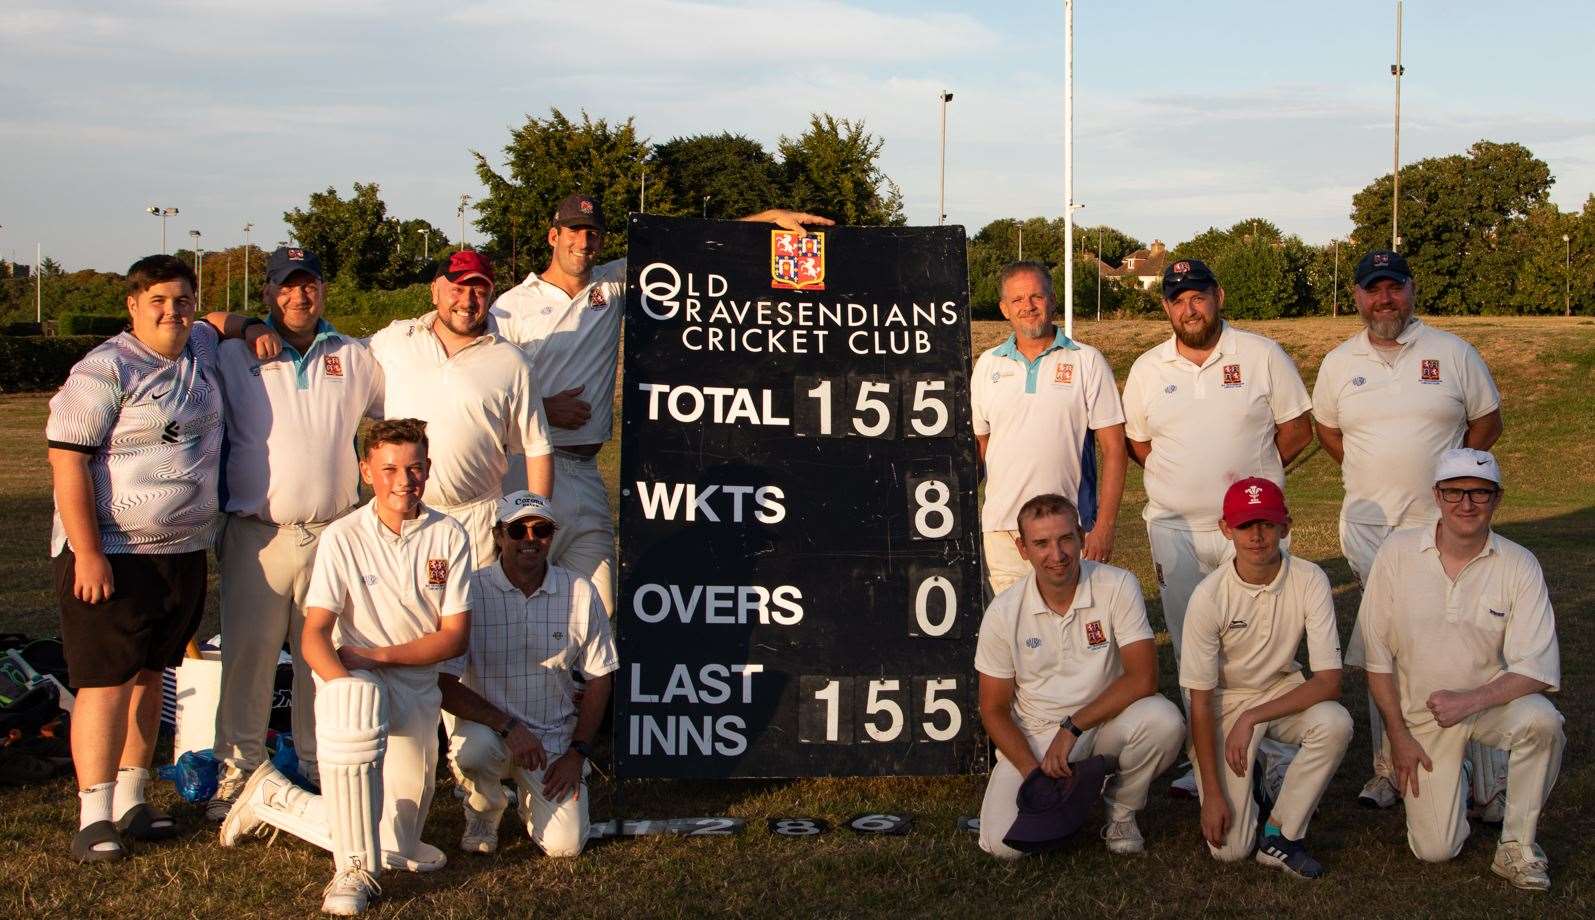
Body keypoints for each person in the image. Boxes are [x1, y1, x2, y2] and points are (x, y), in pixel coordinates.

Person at [491, 195, 832, 615]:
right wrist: (542, 409)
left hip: (586, 470)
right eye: (575, 231)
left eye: (593, 233)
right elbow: (486, 392)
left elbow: (687, 247)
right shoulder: (510, 306)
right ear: (553, 236)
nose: (584, 241)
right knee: (510, 601)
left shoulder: (610, 285)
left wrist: (766, 220)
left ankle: (582, 683)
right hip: (529, 467)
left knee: (596, 611)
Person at [47, 254, 280, 861]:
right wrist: (88, 551)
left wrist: (252, 327)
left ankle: (131, 798)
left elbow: (222, 319)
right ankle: (92, 814)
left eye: (181, 300)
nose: (171, 311)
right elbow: (67, 461)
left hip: (180, 550)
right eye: (158, 301)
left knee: (152, 676)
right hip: (113, 554)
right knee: (105, 683)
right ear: (133, 305)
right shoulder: (106, 368)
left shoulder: (197, 342)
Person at [221, 419, 472, 915]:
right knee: (357, 703)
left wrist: (378, 655)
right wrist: (343, 683)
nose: (405, 480)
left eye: (416, 467)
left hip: (413, 684)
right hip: (356, 679)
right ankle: (352, 872)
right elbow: (315, 633)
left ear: (428, 468)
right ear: (366, 471)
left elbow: (452, 638)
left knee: (399, 848)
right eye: (390, 469)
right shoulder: (344, 535)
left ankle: (275, 798)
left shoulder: (450, 534)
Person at [1313, 248, 1506, 812]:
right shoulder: (1337, 361)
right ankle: (1387, 767)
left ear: (1411, 289)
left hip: (1441, 524)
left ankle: (1482, 774)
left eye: (1393, 287)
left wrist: (1456, 479)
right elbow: (1328, 430)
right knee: (1387, 643)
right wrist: (1370, 472)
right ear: (1357, 297)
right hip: (1371, 528)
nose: (1384, 300)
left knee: (1465, 640)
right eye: (1373, 290)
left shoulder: (1452, 351)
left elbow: (1487, 419)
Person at [1120, 258, 1313, 797]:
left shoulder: (1260, 354)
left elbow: (1298, 428)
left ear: (1218, 296)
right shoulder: (1146, 369)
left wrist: (1255, 482)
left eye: (1199, 296)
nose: (1190, 308)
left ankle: (1271, 755)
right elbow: (1139, 445)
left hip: (1252, 530)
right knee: (1192, 645)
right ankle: (1204, 760)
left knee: (1267, 644)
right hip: (1176, 531)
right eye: (1178, 299)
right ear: (1166, 307)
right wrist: (1185, 479)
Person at [208, 246, 385, 820]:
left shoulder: (353, 356)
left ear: (323, 291)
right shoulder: (234, 352)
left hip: (332, 533)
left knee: (321, 660)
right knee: (249, 658)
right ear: (267, 293)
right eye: (287, 287)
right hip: (258, 534)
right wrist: (245, 325)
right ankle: (237, 774)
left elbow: (396, 412)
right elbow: (195, 320)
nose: (299, 296)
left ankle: (317, 767)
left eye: (309, 285)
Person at [1360, 448, 1563, 891]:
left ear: (1497, 499)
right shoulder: (1396, 553)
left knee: (1543, 721)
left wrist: (1469, 701)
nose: (1466, 504)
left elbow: (1537, 669)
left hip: (1488, 705)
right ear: (1437, 494)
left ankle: (1517, 846)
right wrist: (1397, 736)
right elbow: (1376, 660)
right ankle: (1464, 773)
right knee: (1436, 850)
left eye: (1479, 493)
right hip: (1420, 719)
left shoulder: (1519, 563)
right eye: (1454, 492)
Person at [975, 494, 1184, 859]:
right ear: (1022, 548)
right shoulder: (1003, 611)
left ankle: (1120, 809)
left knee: (1165, 721)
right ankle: (1073, 788)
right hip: (1037, 733)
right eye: (1041, 543)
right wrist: (1033, 773)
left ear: (1082, 536)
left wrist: (1072, 728)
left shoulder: (1118, 584)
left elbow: (1144, 678)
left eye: (1065, 539)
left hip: (1104, 720)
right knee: (1001, 846)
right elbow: (992, 708)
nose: (1056, 555)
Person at [1181, 478, 1350, 878]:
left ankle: (1280, 835)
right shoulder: (1209, 596)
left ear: (1285, 526)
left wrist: (1252, 717)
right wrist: (1212, 795)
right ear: (1226, 529)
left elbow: (1329, 682)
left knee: (1335, 722)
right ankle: (1252, 776)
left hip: (1280, 690)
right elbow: (1200, 701)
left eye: (1267, 524)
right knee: (1229, 850)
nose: (1256, 536)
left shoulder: (1310, 578)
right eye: (1245, 525)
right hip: (1225, 701)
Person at [438, 491, 617, 857]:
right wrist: (508, 726)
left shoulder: (579, 590)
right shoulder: (469, 591)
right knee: (473, 753)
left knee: (565, 848)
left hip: (553, 738)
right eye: (518, 530)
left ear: (552, 535)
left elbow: (600, 677)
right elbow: (443, 684)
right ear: (498, 536)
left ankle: (528, 797)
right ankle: (483, 810)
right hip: (490, 731)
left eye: (542, 530)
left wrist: (577, 754)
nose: (530, 540)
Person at [369, 250, 552, 568]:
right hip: (401, 513)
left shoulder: (512, 362)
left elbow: (538, 448)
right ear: (434, 290)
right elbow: (334, 356)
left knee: (474, 617)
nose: (467, 301)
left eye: (479, 291)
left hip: (477, 520)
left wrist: (533, 523)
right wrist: (253, 327)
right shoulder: (395, 340)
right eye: (458, 288)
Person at [971, 261, 1127, 595]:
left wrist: (1104, 527)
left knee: (1077, 635)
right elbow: (980, 450)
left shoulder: (1087, 361)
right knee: (1020, 637)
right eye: (1017, 300)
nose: (1027, 306)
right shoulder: (987, 365)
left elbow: (1115, 450)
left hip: (1070, 530)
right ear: (1003, 308)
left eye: (1036, 296)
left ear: (1052, 300)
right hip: (1004, 533)